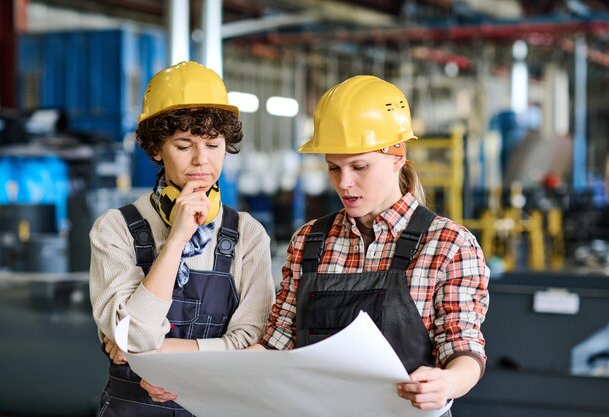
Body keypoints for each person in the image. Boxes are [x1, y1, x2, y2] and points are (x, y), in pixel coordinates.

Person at [254, 75, 490, 414]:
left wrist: (447, 383)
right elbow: (277, 342)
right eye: (334, 168)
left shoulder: (448, 244)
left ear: (397, 157)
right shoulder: (309, 241)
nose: (344, 183)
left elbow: (462, 345)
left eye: (359, 166)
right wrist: (203, 377)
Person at [89, 61, 275, 416]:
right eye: (184, 144)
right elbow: (135, 337)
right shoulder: (114, 229)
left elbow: (251, 343)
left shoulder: (248, 234)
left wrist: (162, 358)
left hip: (219, 405)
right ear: (157, 148)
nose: (201, 161)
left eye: (213, 144)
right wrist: (177, 239)